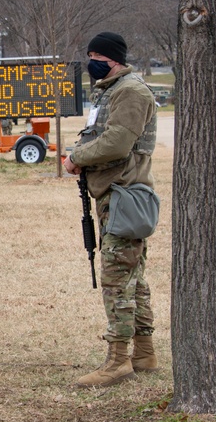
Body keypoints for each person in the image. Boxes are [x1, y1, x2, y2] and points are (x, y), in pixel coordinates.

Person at [63, 32, 159, 389]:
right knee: (133, 276)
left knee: (117, 280)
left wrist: (76, 158)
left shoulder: (131, 91)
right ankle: (144, 352)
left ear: (113, 58)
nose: (92, 61)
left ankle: (118, 360)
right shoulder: (112, 91)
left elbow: (117, 142)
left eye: (96, 55)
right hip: (113, 194)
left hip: (124, 195)